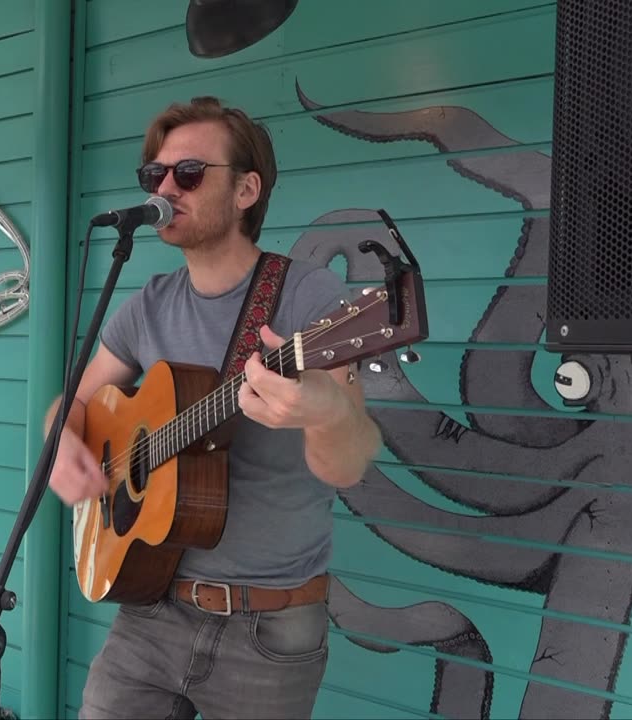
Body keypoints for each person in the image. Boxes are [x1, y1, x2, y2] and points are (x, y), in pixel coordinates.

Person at [47, 97, 382, 719]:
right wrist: (63, 441)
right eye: (155, 176)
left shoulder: (310, 296)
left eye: (190, 173)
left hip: (268, 626)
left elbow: (350, 462)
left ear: (247, 189)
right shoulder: (148, 302)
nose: (167, 187)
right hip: (149, 606)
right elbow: (73, 403)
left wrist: (325, 414)